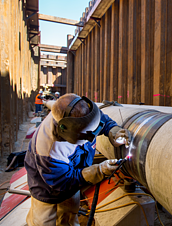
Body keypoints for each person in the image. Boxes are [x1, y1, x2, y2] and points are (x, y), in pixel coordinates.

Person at [24, 93, 131, 225]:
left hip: (71, 176)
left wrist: (113, 131)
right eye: (88, 134)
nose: (93, 135)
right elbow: (63, 182)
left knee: (69, 216)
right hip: (47, 187)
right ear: (72, 133)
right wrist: (98, 171)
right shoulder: (50, 150)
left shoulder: (82, 115)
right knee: (44, 221)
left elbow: (101, 121)